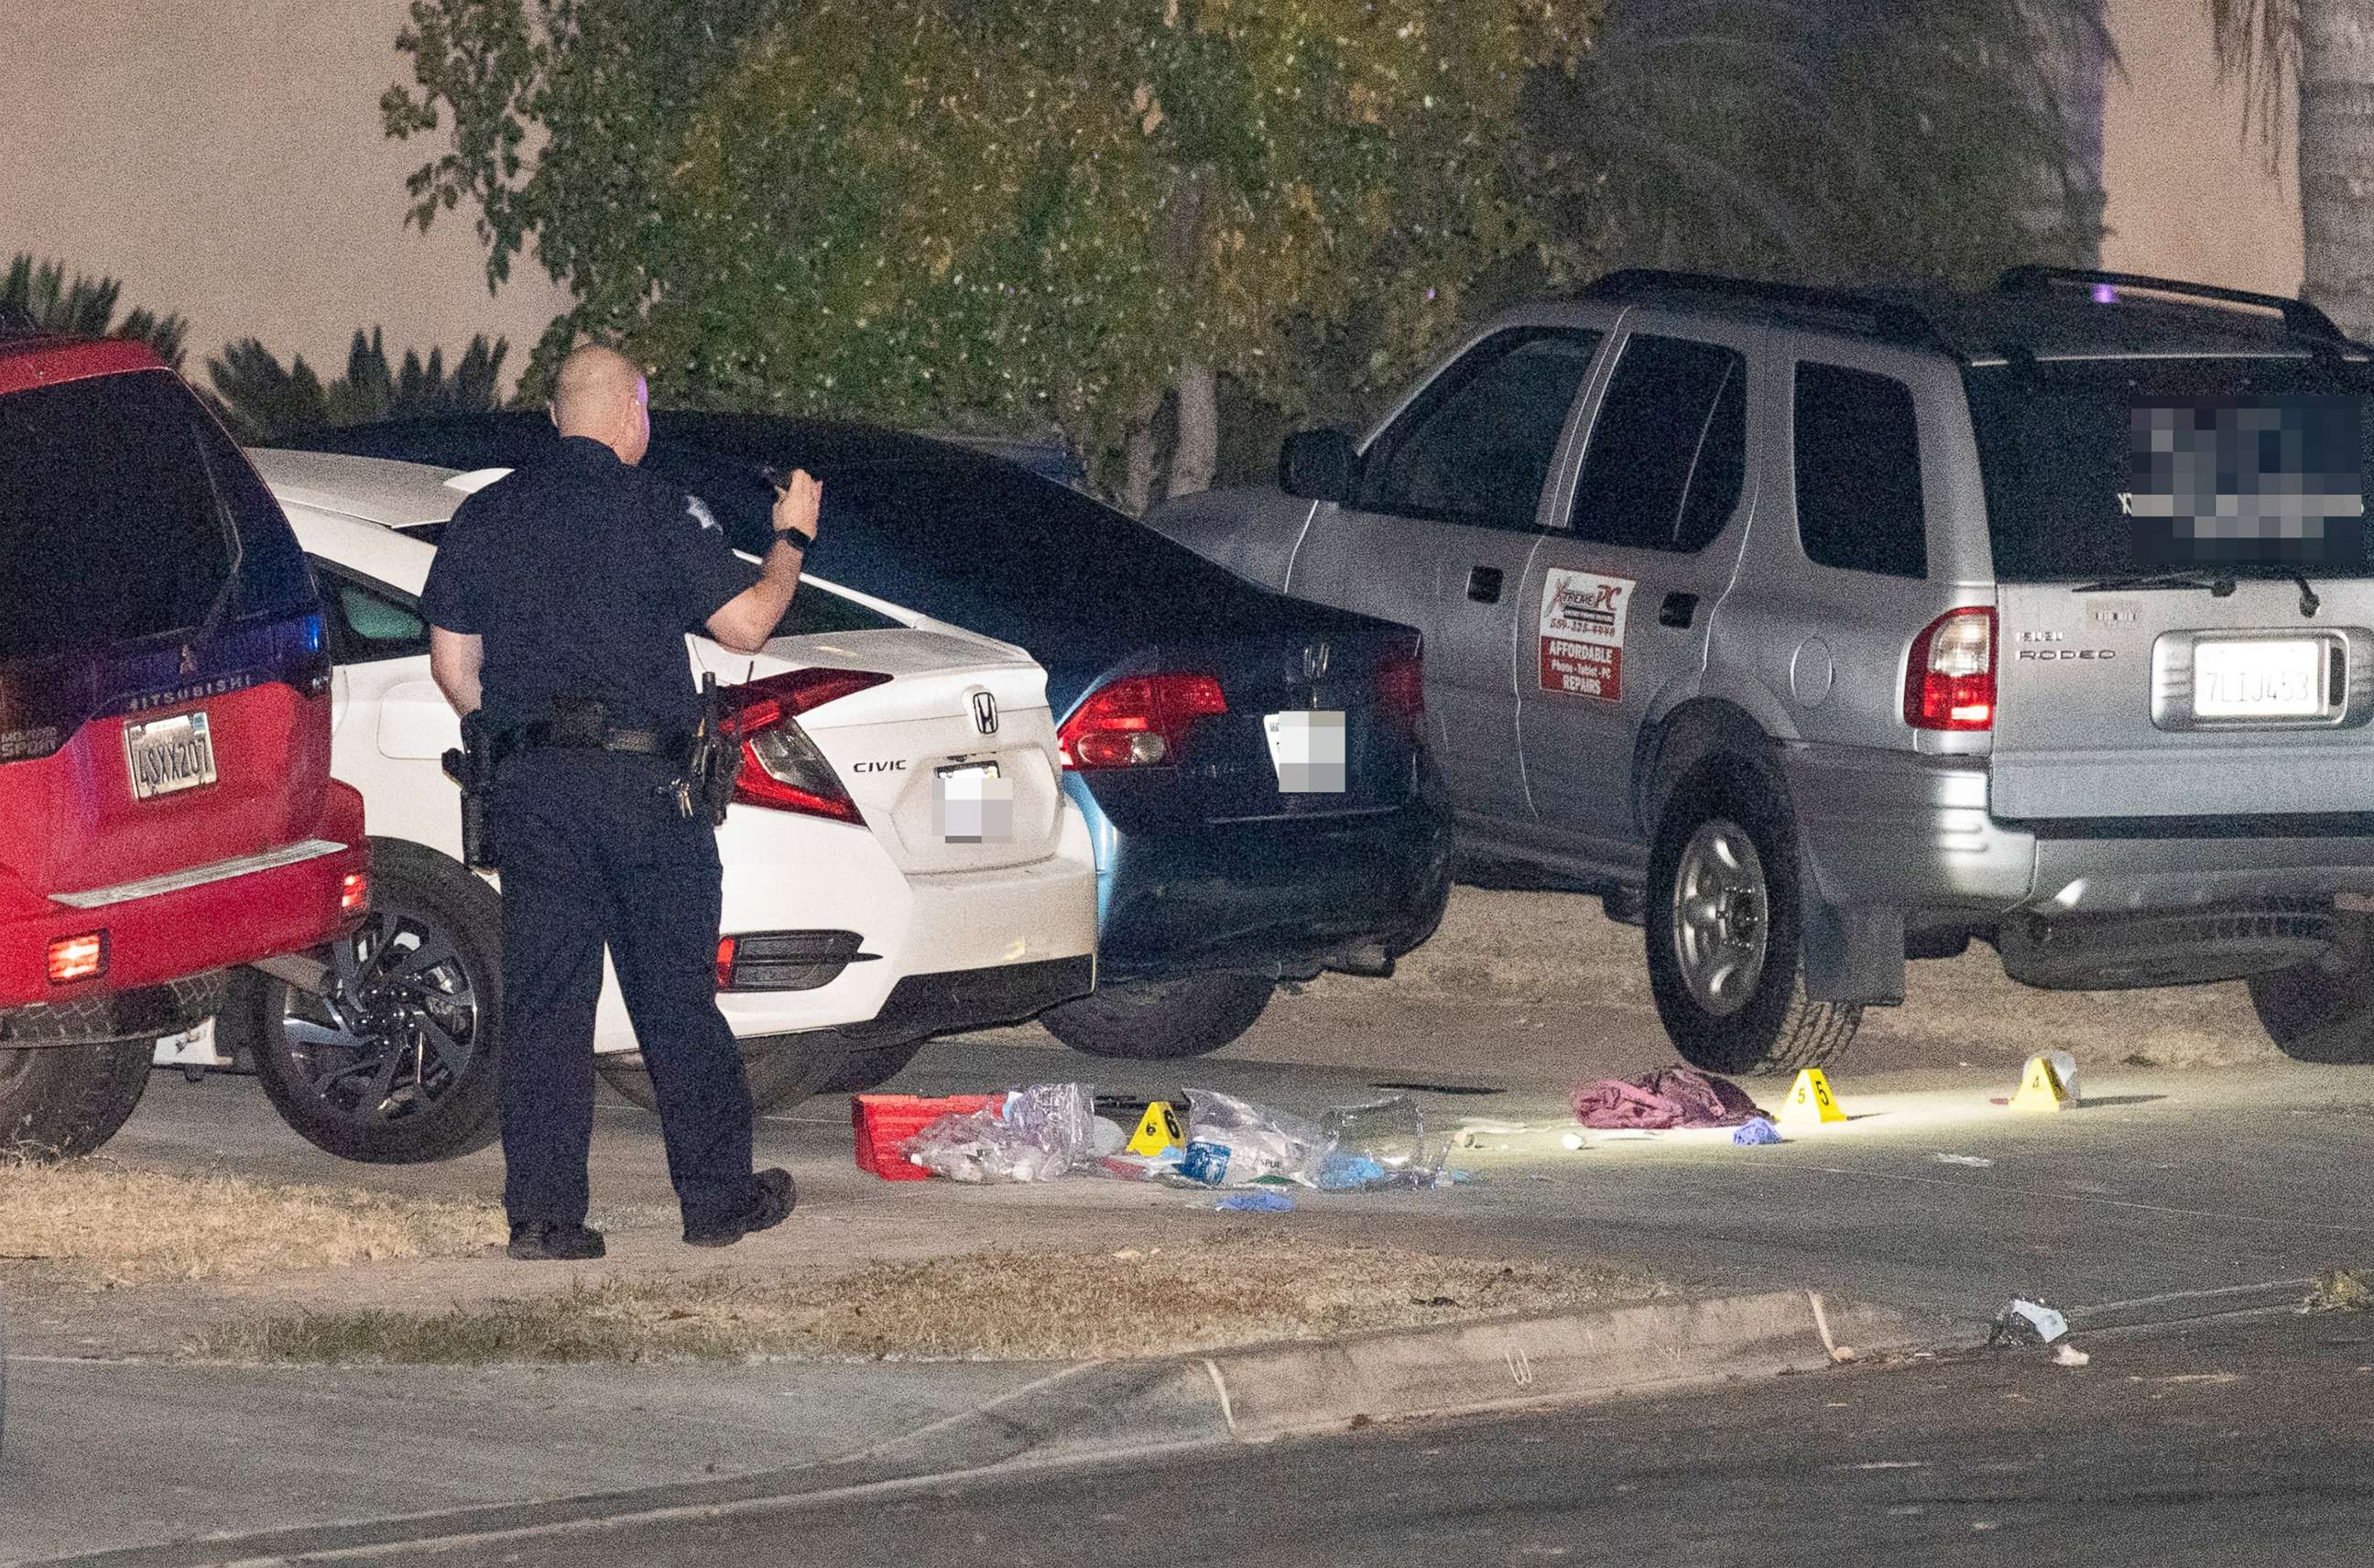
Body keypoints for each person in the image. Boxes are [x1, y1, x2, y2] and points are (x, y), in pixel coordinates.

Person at [421, 343, 822, 1260]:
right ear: (631, 415)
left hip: (536, 793)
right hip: (648, 788)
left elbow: (453, 662)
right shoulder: (659, 509)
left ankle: (545, 1215)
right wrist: (791, 533)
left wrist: (516, 735)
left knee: (547, 1003)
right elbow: (749, 621)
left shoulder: (484, 516)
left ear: (557, 415)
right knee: (674, 997)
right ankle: (717, 1199)